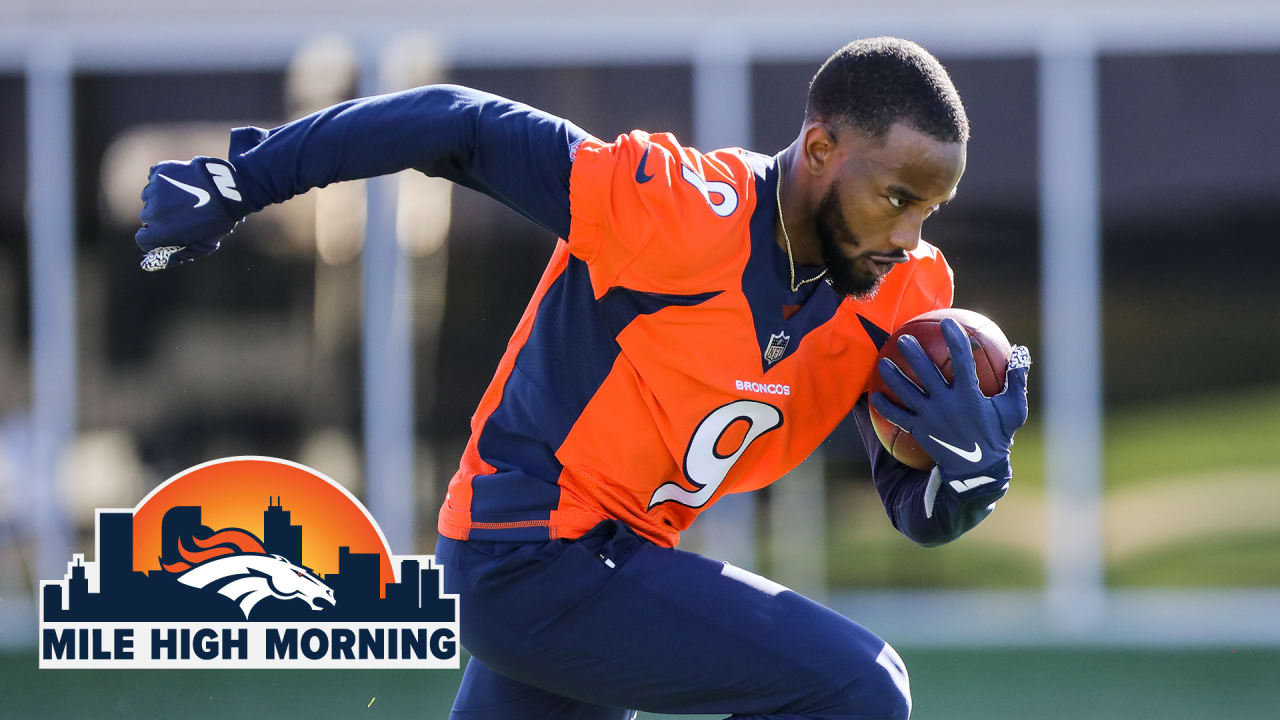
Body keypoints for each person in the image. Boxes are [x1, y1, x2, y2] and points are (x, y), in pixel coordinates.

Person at [137, 36, 1030, 720]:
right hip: (525, 556)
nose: (910, 235)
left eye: (932, 210)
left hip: (612, 569)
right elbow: (462, 125)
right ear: (823, 148)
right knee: (862, 690)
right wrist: (246, 177)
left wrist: (967, 485)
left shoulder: (906, 288)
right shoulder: (677, 209)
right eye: (898, 200)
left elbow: (912, 508)